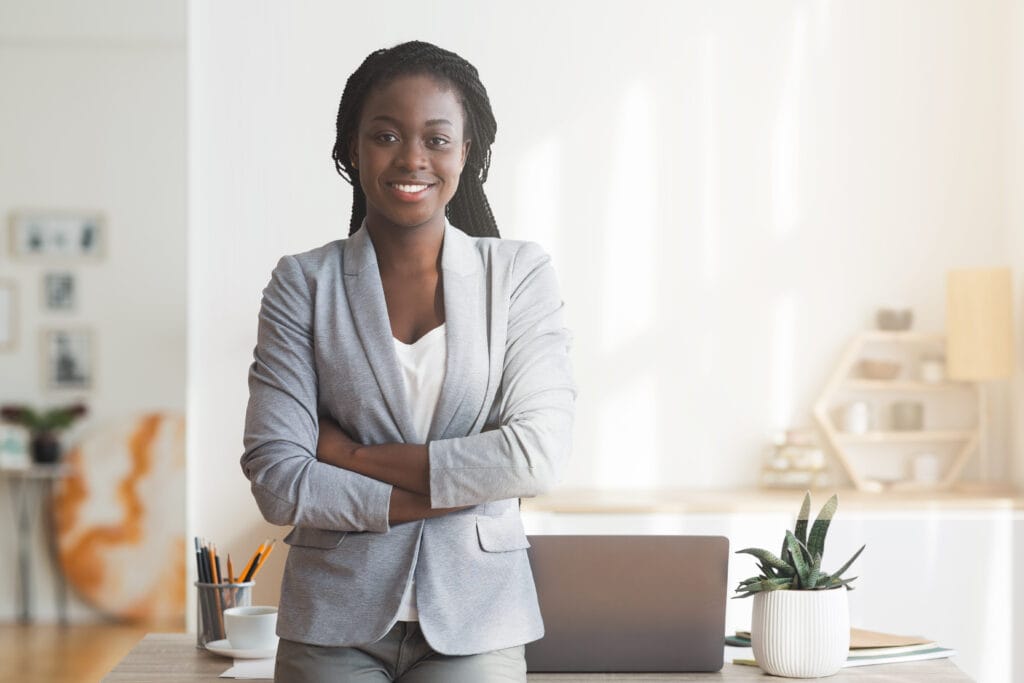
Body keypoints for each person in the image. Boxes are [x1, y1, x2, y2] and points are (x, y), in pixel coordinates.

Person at [241, 40, 575, 682]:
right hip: (334, 614)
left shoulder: (516, 276)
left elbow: (536, 455)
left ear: (465, 153)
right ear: (351, 150)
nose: (412, 158)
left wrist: (349, 456)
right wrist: (466, 489)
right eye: (386, 135)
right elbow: (278, 479)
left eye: (437, 139)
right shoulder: (303, 284)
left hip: (478, 617)